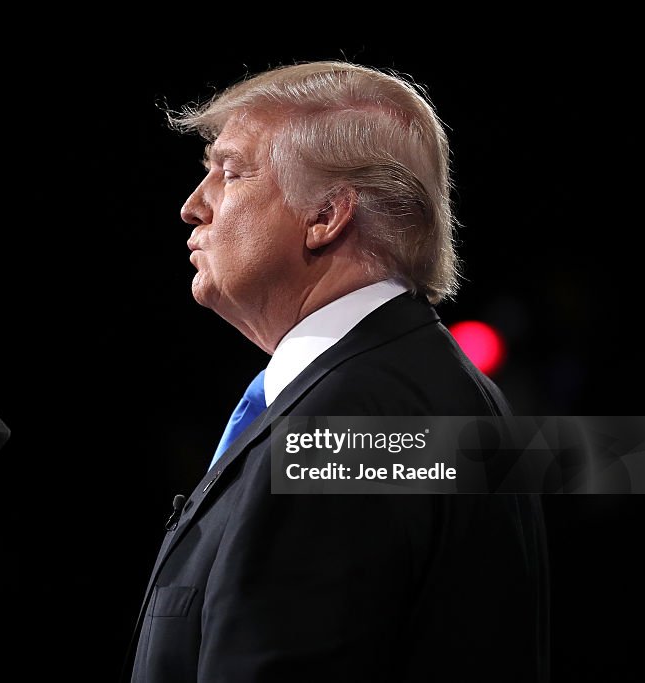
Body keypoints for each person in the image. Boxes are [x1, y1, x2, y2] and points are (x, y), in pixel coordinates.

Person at [125, 62, 549, 682]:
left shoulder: (344, 427)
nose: (194, 207)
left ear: (326, 216)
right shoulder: (423, 389)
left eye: (231, 171)